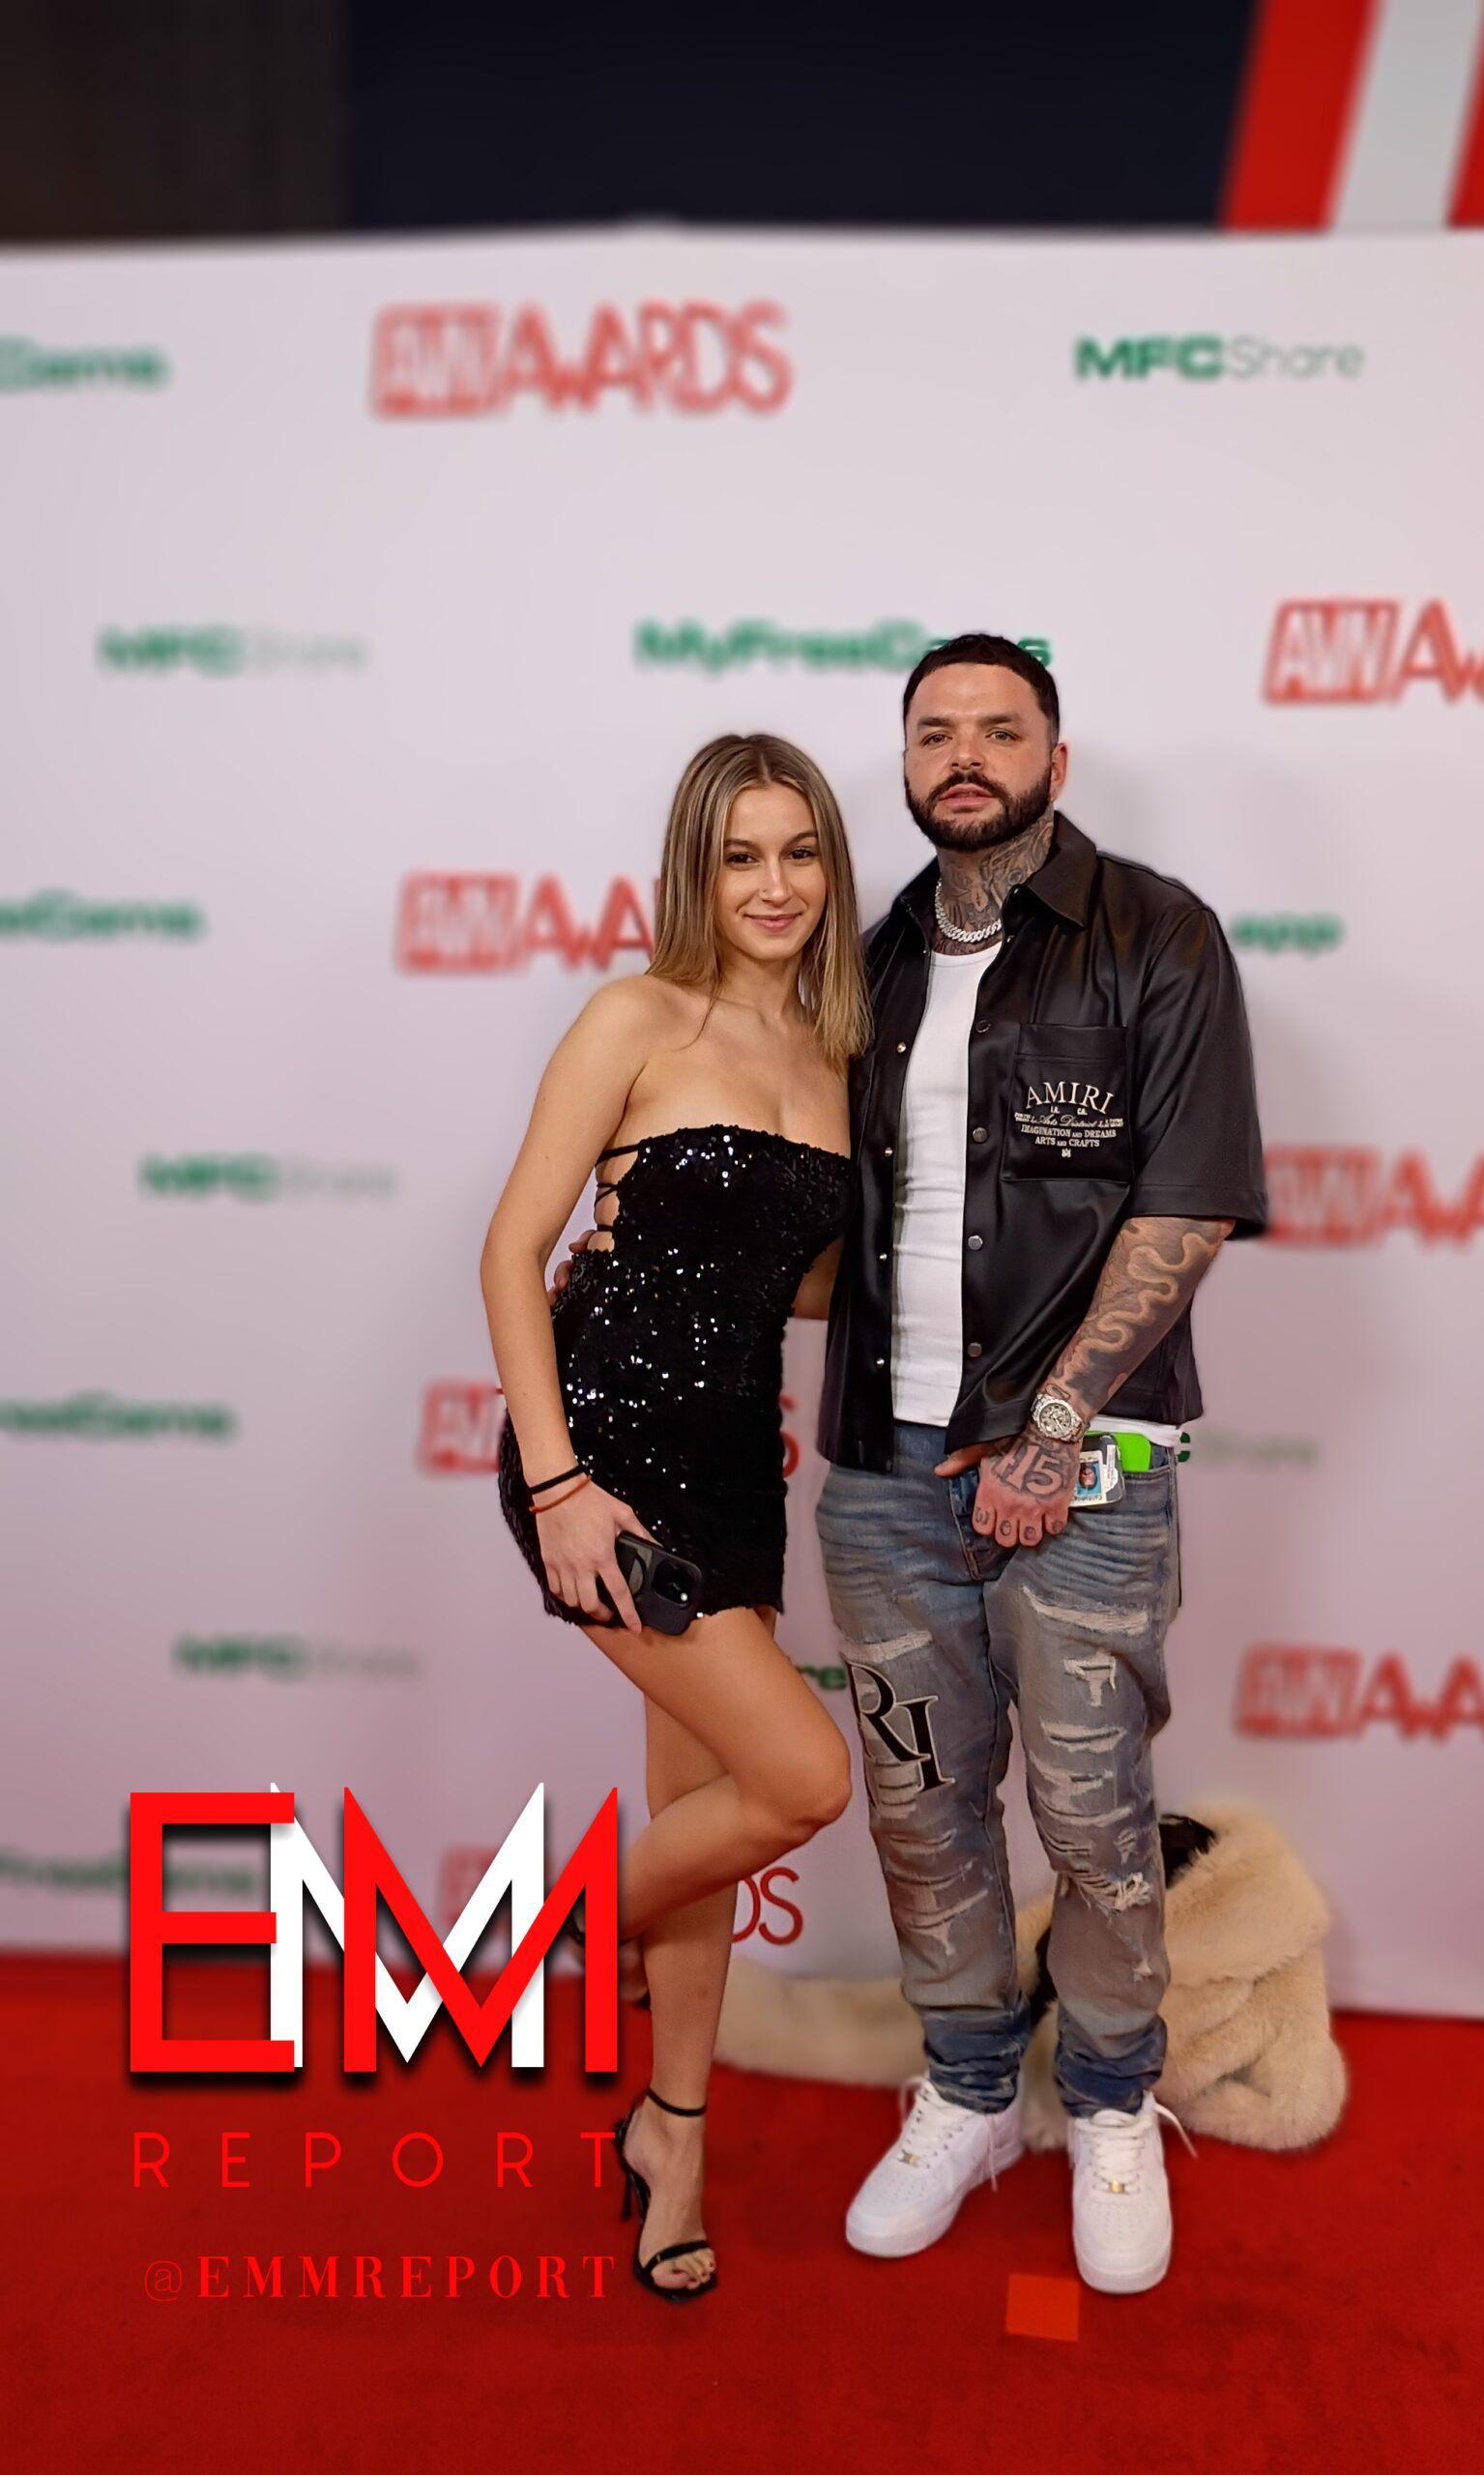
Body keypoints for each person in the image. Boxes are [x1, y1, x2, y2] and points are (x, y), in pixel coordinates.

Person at [816, 635, 1267, 2295]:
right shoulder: (864, 964)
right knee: (923, 1806)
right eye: (935, 730)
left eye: (1001, 729)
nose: (966, 754)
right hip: (882, 1475)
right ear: (907, 764)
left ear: (1054, 763)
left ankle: (1111, 2101)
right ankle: (966, 2091)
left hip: (1085, 1470)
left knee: (1092, 1813)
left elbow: (1186, 1207)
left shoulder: (1158, 935)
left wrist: (1050, 1432)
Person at [480, 732, 868, 2300]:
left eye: (801, 852)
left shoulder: (839, 1058)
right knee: (803, 1775)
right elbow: (513, 1249)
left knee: (707, 1815)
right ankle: (550, 1940)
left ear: (832, 867)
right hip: (603, 1461)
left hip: (737, 1472)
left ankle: (674, 2140)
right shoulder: (634, 1017)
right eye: (740, 855)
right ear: (695, 871)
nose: (775, 885)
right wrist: (560, 1485)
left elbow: (795, 1282)